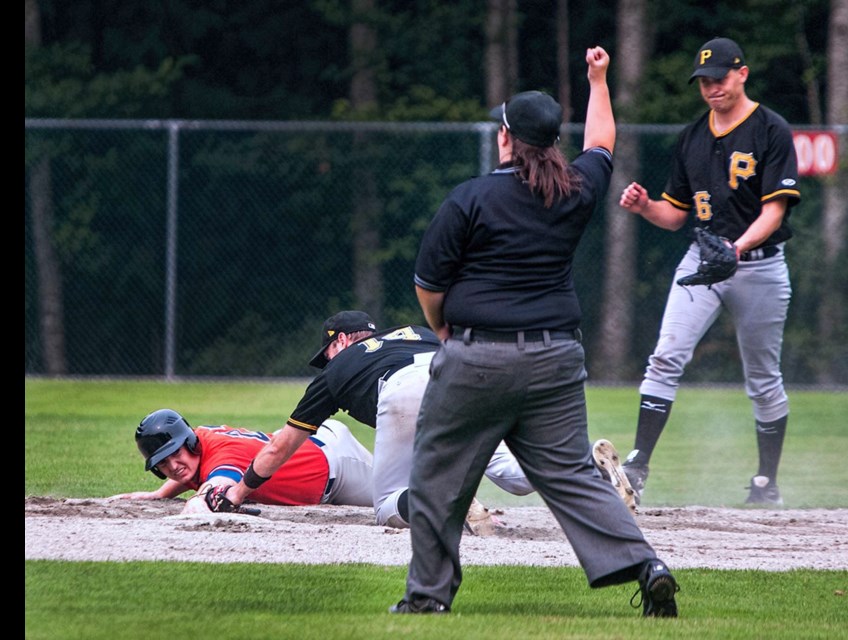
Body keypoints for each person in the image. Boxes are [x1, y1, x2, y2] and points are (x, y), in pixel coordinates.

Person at [391, 46, 679, 617]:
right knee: (571, 476)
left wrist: (442, 330)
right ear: (550, 143)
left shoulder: (470, 198)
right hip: (555, 358)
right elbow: (602, 144)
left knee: (435, 478)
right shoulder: (574, 189)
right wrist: (598, 80)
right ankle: (646, 565)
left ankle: (427, 601)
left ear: (505, 138)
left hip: (478, 358)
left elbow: (429, 284)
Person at [618, 37, 801, 507]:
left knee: (762, 377)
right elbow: (676, 215)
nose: (711, 88)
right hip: (702, 263)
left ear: (742, 73)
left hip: (758, 268)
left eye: (719, 78)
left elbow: (774, 212)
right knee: (666, 356)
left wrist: (735, 248)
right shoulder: (693, 136)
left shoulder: (771, 130)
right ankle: (636, 467)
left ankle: (766, 482)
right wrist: (645, 208)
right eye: (703, 81)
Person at [217, 310, 537, 532]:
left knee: (386, 507)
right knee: (516, 478)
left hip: (404, 388)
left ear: (340, 341)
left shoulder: (338, 368)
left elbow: (281, 446)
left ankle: (439, 498)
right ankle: (578, 460)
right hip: (464, 376)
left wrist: (239, 492)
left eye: (326, 352)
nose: (325, 361)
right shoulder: (416, 332)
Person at [109, 409, 375, 514]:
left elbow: (216, 487)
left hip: (338, 463)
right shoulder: (198, 442)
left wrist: (198, 502)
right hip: (307, 445)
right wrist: (159, 494)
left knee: (400, 498)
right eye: (163, 463)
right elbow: (193, 472)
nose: (173, 466)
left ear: (189, 441)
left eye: (176, 453)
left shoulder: (223, 454)